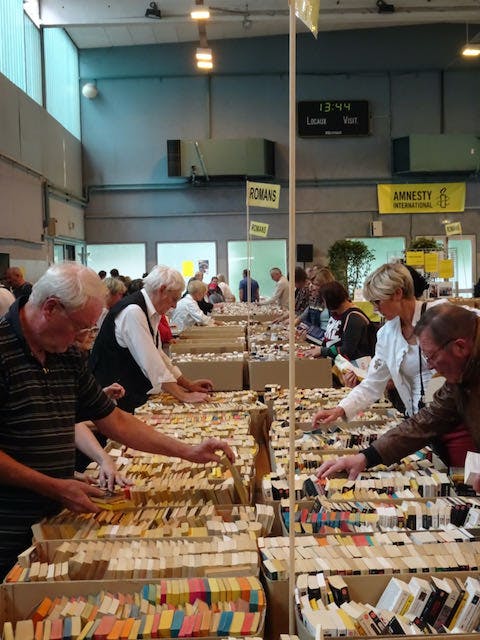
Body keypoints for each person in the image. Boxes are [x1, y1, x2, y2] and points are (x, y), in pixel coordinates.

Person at [0, 262, 233, 578]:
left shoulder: (65, 354)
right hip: (9, 526)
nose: (84, 339)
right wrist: (54, 486)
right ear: (51, 309)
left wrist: (188, 451)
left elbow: (115, 421)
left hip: (55, 515)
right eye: (81, 328)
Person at [316, 304, 480, 491]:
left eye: (432, 356)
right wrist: (365, 457)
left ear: (460, 346)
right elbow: (427, 421)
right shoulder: (460, 374)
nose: (430, 367)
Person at [312, 262, 438, 425]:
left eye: (377, 302)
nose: (375, 309)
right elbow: (373, 383)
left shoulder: (440, 314)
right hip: (419, 418)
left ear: (398, 293)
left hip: (453, 416)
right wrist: (340, 409)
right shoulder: (386, 334)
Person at [90, 265, 215, 412]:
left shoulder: (149, 311)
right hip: (114, 396)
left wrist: (187, 384)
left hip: (127, 390)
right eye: (174, 299)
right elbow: (152, 363)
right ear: (161, 290)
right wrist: (183, 395)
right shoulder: (133, 311)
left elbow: (158, 354)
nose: (175, 305)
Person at [306, 281, 376, 362]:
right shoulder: (336, 313)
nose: (324, 305)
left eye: (324, 301)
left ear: (331, 301)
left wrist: (323, 351)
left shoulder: (354, 319)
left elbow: (347, 350)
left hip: (351, 368)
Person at [295, 267, 335, 345]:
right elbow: (303, 318)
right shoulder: (314, 301)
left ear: (325, 286)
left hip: (326, 344)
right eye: (311, 283)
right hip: (315, 340)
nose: (311, 287)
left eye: (316, 284)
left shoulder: (334, 303)